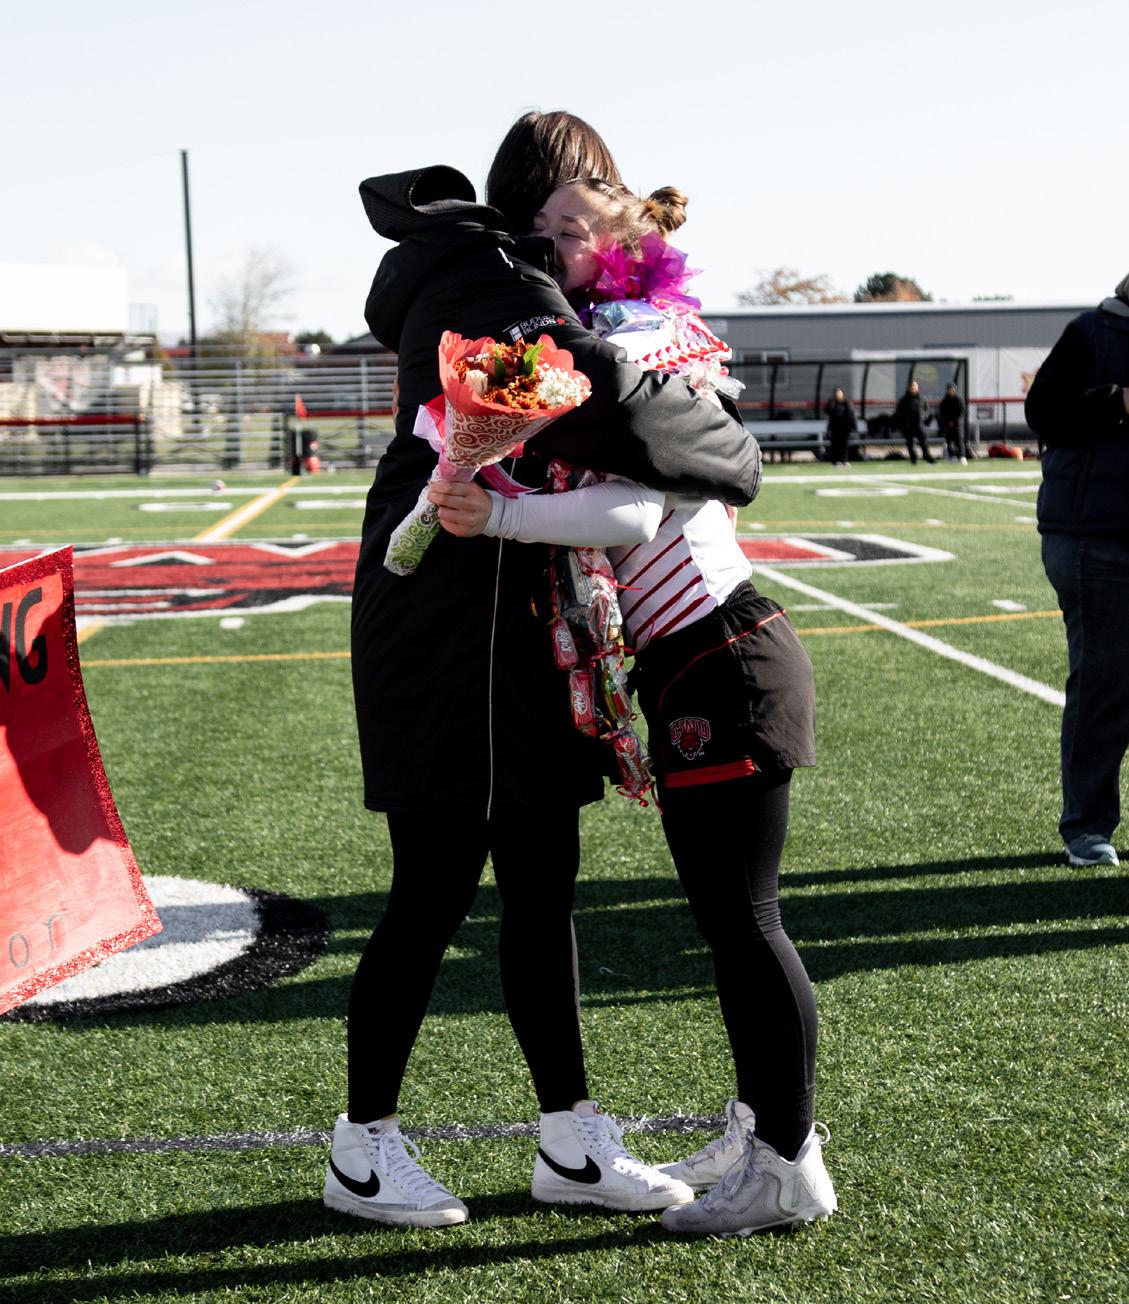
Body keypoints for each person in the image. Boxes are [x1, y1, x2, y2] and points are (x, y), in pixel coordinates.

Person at [326, 112, 762, 1229]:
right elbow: (610, 406)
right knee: (433, 888)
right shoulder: (487, 274)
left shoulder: (514, 274)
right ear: (539, 206)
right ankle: (361, 1146)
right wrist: (728, 446)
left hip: (514, 621)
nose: (599, 238)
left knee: (541, 882)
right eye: (581, 211)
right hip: (447, 626)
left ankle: (570, 1138)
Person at [430, 177, 837, 1237]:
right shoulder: (599, 341)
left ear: (619, 249)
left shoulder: (632, 338)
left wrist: (496, 517)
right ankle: (761, 1130)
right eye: (541, 227)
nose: (549, 243)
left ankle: (788, 1164)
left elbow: (631, 511)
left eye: (571, 230)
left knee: (746, 922)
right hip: (698, 659)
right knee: (731, 922)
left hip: (722, 654)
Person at [1026, 272, 1129, 869]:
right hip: (1096, 534)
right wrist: (1117, 402)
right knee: (1105, 681)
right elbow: (1042, 411)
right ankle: (1088, 825)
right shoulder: (1093, 331)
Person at [893, 379, 935, 463]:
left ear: (917, 388)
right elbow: (898, 412)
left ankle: (927, 457)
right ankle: (913, 459)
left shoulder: (922, 398)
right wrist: (903, 422)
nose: (913, 388)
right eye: (912, 387)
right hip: (908, 425)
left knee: (923, 441)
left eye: (915, 386)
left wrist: (924, 416)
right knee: (910, 442)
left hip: (919, 424)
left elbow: (927, 410)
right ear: (909, 388)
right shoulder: (904, 399)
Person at [824, 386, 857, 467]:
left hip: (845, 428)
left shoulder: (846, 403)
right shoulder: (832, 402)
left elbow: (851, 414)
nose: (838, 394)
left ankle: (844, 460)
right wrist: (833, 402)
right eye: (837, 393)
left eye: (840, 393)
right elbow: (828, 410)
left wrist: (853, 426)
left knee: (844, 445)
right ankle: (836, 461)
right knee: (835, 445)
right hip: (835, 428)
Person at [938, 382, 968, 463]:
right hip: (948, 424)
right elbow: (942, 412)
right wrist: (947, 422)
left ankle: (962, 457)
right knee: (949, 441)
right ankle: (952, 456)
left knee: (959, 440)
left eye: (952, 389)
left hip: (957, 424)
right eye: (949, 389)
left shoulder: (959, 399)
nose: (951, 391)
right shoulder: (945, 401)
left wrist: (955, 421)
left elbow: (961, 412)